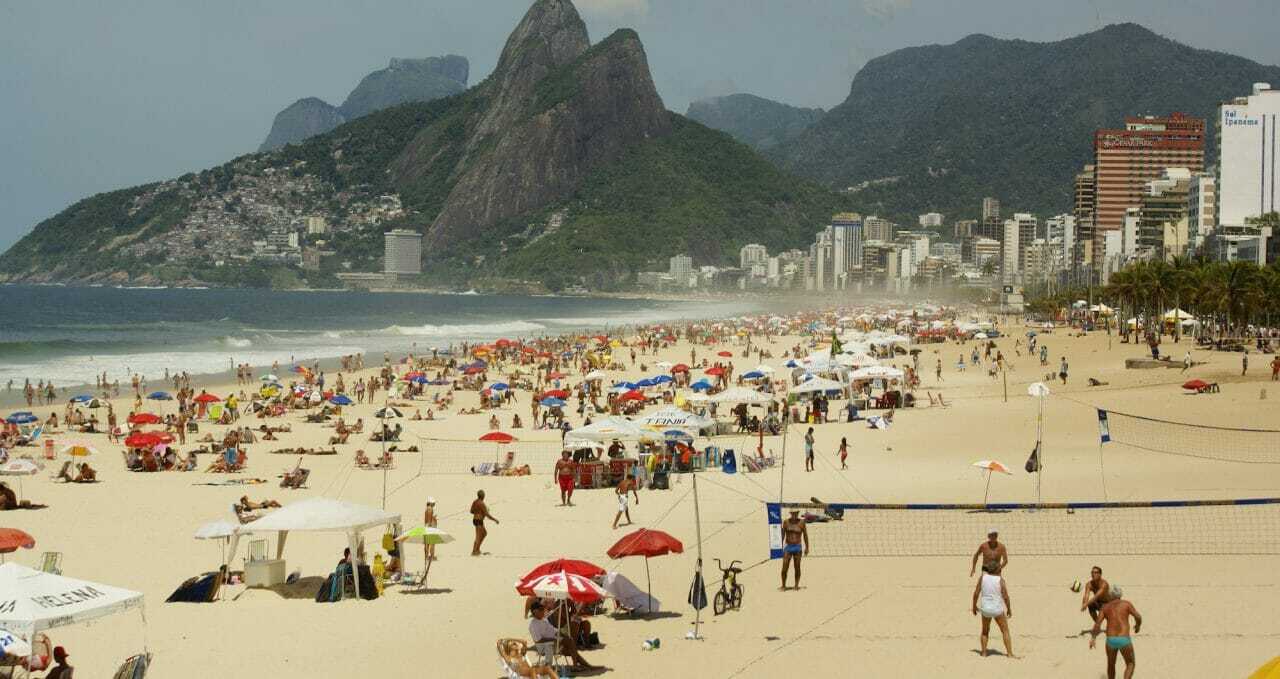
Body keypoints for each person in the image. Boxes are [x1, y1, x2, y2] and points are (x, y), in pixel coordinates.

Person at [528, 601, 594, 671]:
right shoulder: (533, 625)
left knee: (570, 647)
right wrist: (554, 639)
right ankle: (579, 666)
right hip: (545, 645)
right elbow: (538, 640)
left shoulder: (544, 620)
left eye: (543, 609)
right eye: (541, 610)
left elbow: (553, 629)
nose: (543, 611)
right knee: (570, 642)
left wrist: (560, 633)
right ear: (535, 612)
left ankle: (584, 666)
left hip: (553, 641)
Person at [1089, 598, 1142, 679]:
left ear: (1111, 596)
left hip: (1111, 639)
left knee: (1111, 664)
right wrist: (1138, 625)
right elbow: (1138, 616)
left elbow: (1097, 624)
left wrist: (1093, 638)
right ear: (1120, 595)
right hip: (1124, 639)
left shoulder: (1105, 607)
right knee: (1130, 663)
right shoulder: (1126, 604)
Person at [971, 562, 1015, 658]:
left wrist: (974, 607)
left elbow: (976, 594)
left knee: (985, 631)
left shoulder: (982, 578)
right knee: (1005, 631)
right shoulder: (1000, 580)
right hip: (997, 609)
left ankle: (983, 653)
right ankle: (1010, 654)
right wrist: (1009, 609)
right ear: (998, 570)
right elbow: (1006, 597)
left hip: (985, 608)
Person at [780, 509, 808, 590]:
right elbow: (782, 535)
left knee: (797, 567)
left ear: (798, 513)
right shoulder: (786, 522)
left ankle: (796, 585)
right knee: (784, 567)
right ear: (791, 513)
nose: (794, 514)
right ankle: (783, 585)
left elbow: (805, 535)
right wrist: (779, 547)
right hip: (788, 546)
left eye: (796, 513)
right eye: (793, 513)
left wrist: (807, 547)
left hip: (797, 547)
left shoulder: (802, 523)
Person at [470, 490, 498, 556]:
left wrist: (478, 511)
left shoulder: (475, 502)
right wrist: (495, 520)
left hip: (475, 520)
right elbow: (487, 515)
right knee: (478, 536)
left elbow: (471, 511)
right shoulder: (482, 504)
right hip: (479, 521)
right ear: (483, 496)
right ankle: (474, 551)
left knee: (484, 533)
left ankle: (477, 549)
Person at [424, 497, 438, 562]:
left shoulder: (427, 509)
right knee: (432, 542)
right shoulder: (430, 509)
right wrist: (431, 522)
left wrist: (433, 518)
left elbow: (428, 518)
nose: (434, 505)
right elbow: (429, 518)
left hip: (427, 526)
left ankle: (426, 556)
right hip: (431, 527)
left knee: (427, 543)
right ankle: (431, 556)